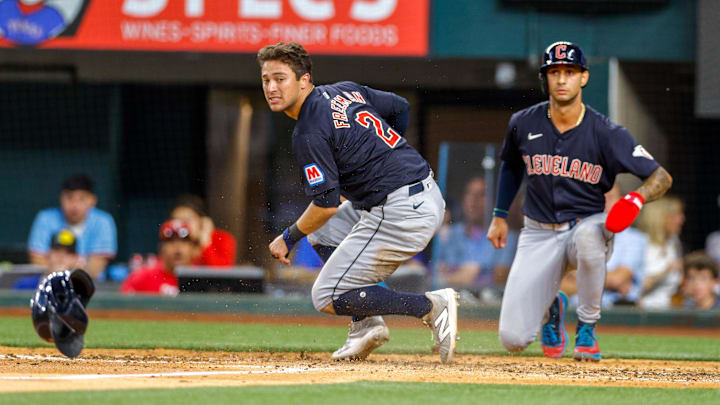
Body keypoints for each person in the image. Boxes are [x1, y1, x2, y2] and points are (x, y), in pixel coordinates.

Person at [258, 42, 458, 363]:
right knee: (324, 233)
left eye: (280, 79)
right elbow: (400, 106)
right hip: (422, 193)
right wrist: (383, 155)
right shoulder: (344, 91)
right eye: (266, 79)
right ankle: (365, 325)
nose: (272, 87)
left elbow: (325, 204)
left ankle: (431, 306)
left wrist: (288, 238)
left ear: (304, 80)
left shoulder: (308, 131)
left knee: (325, 295)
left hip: (400, 211)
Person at [487, 41, 672, 362]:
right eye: (554, 72)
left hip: (586, 225)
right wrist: (500, 214)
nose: (561, 80)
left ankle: (587, 327)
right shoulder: (523, 122)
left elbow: (661, 177)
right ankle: (552, 308)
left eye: (569, 72)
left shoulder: (607, 132)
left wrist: (636, 199)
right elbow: (511, 166)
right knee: (513, 339)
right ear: (545, 77)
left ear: (584, 77)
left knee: (589, 238)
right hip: (538, 232)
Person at [434, 176, 514, 300]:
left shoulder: (505, 235)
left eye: (481, 194)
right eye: (469, 194)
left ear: (494, 202)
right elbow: (433, 274)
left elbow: (501, 277)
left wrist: (458, 276)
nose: (473, 200)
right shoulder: (450, 234)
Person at [27, 174, 117, 279]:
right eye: (69, 198)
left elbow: (95, 269)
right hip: (50, 285)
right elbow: (37, 262)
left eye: (82, 199)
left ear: (93, 200)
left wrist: (64, 270)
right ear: (61, 198)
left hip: (89, 288)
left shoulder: (103, 221)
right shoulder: (45, 218)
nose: (75, 205)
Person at [120, 220, 197, 296]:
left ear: (193, 248)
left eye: (183, 242)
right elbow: (122, 305)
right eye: (170, 242)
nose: (178, 248)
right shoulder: (142, 277)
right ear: (161, 248)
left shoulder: (199, 277)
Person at [637, 196, 685, 309]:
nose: (681, 219)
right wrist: (667, 270)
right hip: (647, 311)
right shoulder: (643, 244)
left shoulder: (673, 242)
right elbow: (636, 287)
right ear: (661, 218)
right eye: (676, 215)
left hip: (672, 309)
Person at [169, 194, 236, 266]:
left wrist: (205, 241)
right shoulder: (171, 240)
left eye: (187, 220)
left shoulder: (222, 239)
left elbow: (220, 273)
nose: (182, 225)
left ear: (201, 221)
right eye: (178, 221)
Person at [14, 228, 81, 290]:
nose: (61, 256)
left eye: (68, 253)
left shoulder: (80, 289)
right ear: (48, 254)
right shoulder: (25, 285)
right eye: (57, 250)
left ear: (76, 258)